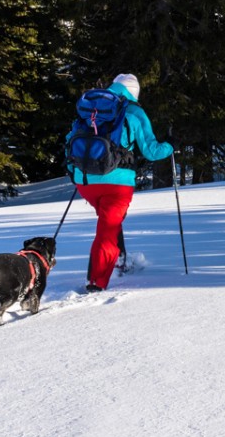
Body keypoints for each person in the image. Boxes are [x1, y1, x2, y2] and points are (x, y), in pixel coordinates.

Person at [66, 73, 173, 292]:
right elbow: (151, 152)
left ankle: (120, 260)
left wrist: (74, 173)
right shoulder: (134, 112)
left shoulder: (91, 109)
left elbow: (70, 142)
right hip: (117, 185)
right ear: (135, 92)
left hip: (85, 182)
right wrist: (171, 145)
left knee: (109, 222)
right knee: (106, 229)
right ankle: (96, 281)